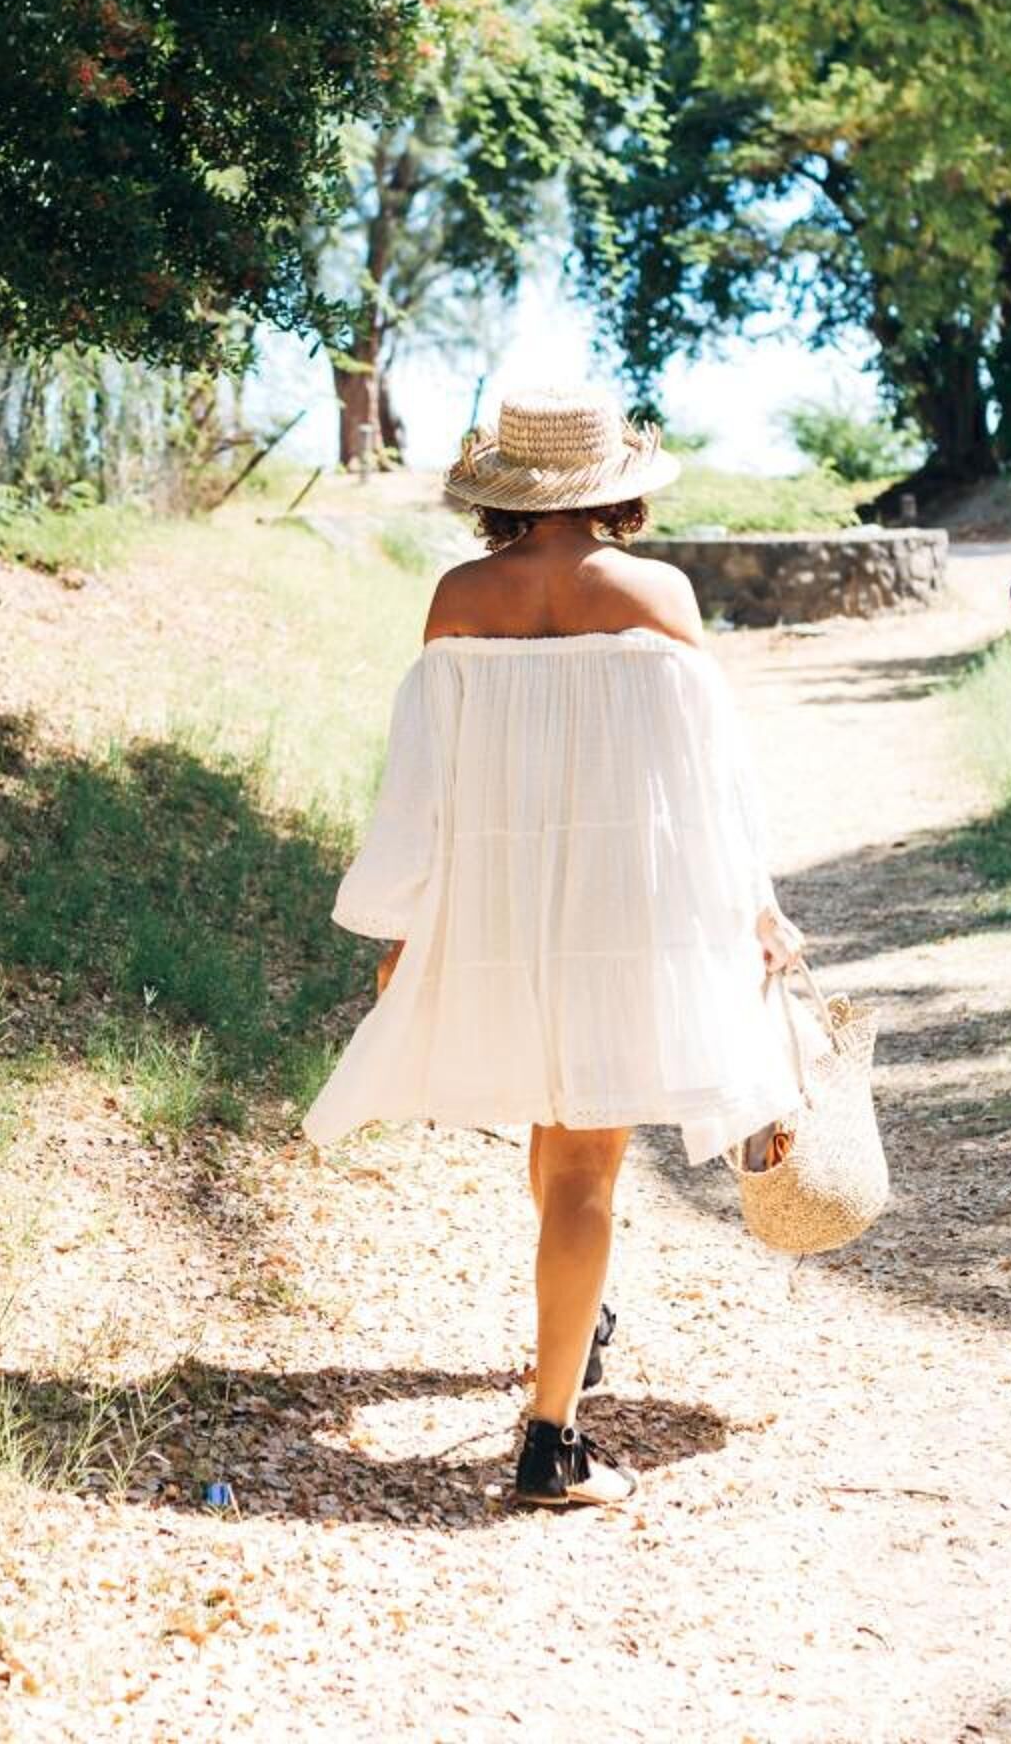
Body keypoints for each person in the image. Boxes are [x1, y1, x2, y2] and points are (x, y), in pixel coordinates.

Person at [304, 384, 807, 1511]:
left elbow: (419, 788)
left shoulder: (460, 597)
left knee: (551, 1122)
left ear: (505, 490)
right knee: (585, 1159)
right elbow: (712, 786)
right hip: (625, 908)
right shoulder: (657, 593)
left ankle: (573, 1322)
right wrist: (754, 908)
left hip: (499, 908)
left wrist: (402, 924)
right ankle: (550, 1438)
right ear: (615, 484)